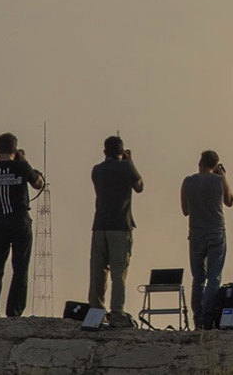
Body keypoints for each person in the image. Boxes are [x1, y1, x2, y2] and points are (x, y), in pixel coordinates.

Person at [0, 133, 45, 316]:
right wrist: (23, 161)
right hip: (19, 219)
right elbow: (38, 184)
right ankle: (14, 311)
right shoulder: (22, 167)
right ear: (15, 150)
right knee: (20, 267)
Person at [88, 135, 143, 328]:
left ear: (104, 152)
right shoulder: (126, 167)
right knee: (119, 272)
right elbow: (139, 186)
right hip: (120, 226)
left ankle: (96, 313)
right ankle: (117, 313)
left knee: (97, 271)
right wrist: (130, 161)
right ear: (122, 151)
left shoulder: (97, 170)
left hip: (99, 226)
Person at [180, 150, 233, 328]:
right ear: (216, 165)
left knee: (198, 278)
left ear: (200, 162)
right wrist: (224, 177)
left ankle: (197, 318)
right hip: (216, 232)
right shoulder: (219, 180)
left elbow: (185, 211)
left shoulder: (188, 182)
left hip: (196, 234)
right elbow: (230, 200)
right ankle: (208, 316)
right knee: (213, 277)